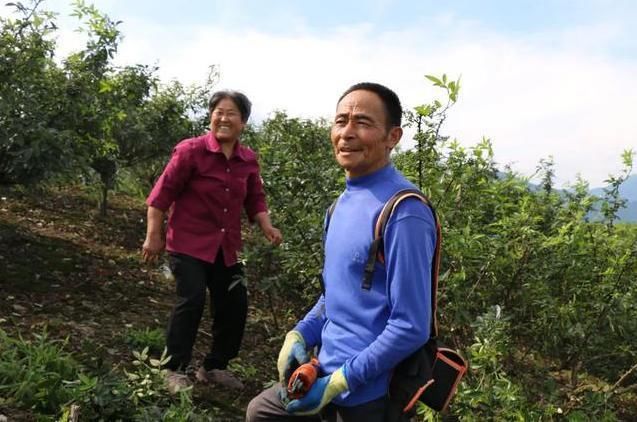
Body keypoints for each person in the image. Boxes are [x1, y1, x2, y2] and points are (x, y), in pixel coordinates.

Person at [246, 82, 436, 422]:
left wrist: (342, 380)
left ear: (393, 136)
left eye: (362, 122)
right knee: (262, 412)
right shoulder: (339, 206)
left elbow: (410, 325)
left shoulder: (404, 211)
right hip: (321, 370)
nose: (347, 132)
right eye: (340, 121)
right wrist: (300, 333)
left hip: (367, 392)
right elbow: (336, 293)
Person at [142, 90, 282, 394]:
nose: (223, 118)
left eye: (231, 113)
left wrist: (266, 225)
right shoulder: (190, 151)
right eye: (218, 111)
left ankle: (215, 365)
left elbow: (255, 198)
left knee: (236, 303)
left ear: (243, 122)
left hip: (230, 247)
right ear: (210, 116)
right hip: (187, 243)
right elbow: (160, 197)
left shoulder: (247, 159)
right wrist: (153, 235)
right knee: (191, 299)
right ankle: (173, 367)